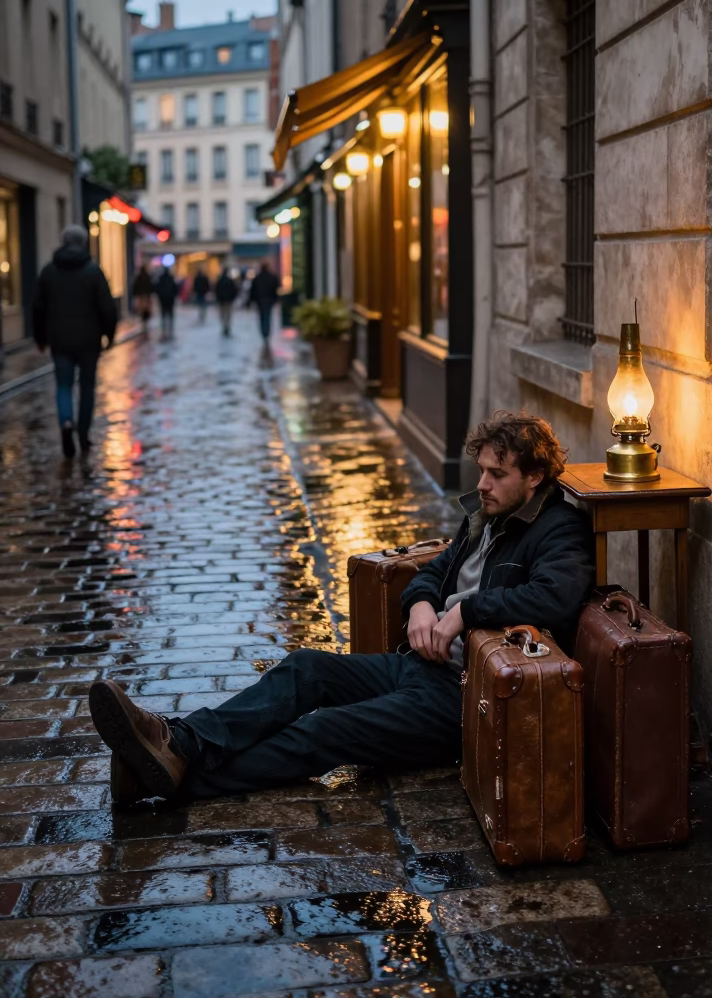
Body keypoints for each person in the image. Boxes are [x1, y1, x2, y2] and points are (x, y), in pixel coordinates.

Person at [87, 411, 594, 804]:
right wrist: (419, 604)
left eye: (496, 473)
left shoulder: (559, 528)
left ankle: (168, 778)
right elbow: (435, 573)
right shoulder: (487, 512)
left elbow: (555, 598)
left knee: (326, 729)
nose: (481, 483)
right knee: (305, 667)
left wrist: (467, 612)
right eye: (481, 470)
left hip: (465, 699)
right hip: (421, 666)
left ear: (534, 477)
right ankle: (180, 742)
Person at [32, 224, 117, 458]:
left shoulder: (49, 271)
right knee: (87, 387)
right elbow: (107, 308)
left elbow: (38, 307)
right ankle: (83, 433)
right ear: (83, 243)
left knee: (63, 385)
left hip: (59, 340)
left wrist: (40, 337)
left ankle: (66, 422)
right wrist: (109, 335)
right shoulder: (92, 271)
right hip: (89, 341)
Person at [249, 261, 280, 347]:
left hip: (261, 301)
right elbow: (276, 288)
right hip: (268, 301)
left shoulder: (258, 278)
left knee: (262, 317)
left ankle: (264, 333)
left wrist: (252, 300)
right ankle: (266, 333)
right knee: (267, 316)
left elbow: (252, 291)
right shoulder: (271, 277)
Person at [154, 266, 178, 340]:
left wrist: (160, 298)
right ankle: (170, 331)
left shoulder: (161, 279)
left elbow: (157, 290)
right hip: (169, 301)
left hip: (163, 301)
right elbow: (175, 290)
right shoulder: (171, 279)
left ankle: (164, 332)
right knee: (170, 317)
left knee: (164, 317)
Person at [214, 267, 238, 337]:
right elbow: (234, 290)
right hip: (228, 301)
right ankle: (227, 327)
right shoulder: (230, 281)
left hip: (222, 301)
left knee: (223, 314)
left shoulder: (220, 281)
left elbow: (216, 291)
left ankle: (225, 327)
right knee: (228, 315)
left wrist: (218, 299)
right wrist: (232, 298)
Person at [131, 265, 153, 332]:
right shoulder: (147, 277)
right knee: (146, 310)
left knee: (142, 310)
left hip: (141, 296)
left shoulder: (139, 278)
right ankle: (145, 323)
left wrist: (135, 295)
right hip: (146, 296)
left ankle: (144, 323)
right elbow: (151, 287)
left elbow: (135, 287)